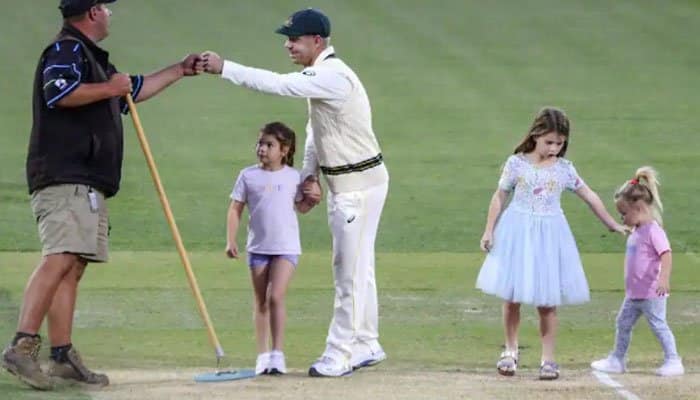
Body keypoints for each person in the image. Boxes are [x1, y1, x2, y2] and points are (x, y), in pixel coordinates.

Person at [1, 0, 200, 390]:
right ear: (92, 12)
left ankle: (61, 356)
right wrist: (111, 86)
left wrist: (180, 69)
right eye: (107, 7)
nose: (111, 13)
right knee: (59, 257)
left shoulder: (91, 58)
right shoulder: (66, 49)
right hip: (64, 174)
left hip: (87, 178)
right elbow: (57, 91)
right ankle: (22, 347)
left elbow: (132, 91)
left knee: (73, 264)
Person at [198, 7, 389, 377]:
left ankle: (339, 353)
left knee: (347, 271)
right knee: (360, 268)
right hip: (356, 181)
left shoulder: (331, 76)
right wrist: (308, 175)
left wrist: (225, 68)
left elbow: (278, 84)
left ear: (316, 41)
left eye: (294, 39)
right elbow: (317, 129)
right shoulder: (324, 77)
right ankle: (367, 342)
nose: (288, 45)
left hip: (357, 187)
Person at [475, 107, 627, 380]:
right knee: (512, 297)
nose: (555, 148)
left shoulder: (564, 170)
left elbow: (588, 195)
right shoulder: (516, 164)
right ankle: (510, 350)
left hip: (549, 237)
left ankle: (548, 358)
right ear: (536, 135)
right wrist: (489, 230)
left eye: (560, 143)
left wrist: (611, 223)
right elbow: (499, 196)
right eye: (549, 142)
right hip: (517, 233)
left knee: (547, 301)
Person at [225, 121, 314, 375]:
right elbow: (235, 208)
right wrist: (231, 240)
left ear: (284, 150)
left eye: (269, 145)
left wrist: (312, 199)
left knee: (276, 296)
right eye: (260, 143)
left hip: (286, 247)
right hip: (258, 247)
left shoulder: (293, 177)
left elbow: (302, 208)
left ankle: (278, 353)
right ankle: (263, 355)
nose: (262, 149)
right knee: (261, 301)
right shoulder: (248, 175)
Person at [591, 167, 684, 377]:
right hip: (634, 293)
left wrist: (664, 279)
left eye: (624, 214)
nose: (622, 218)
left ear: (640, 208)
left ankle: (673, 360)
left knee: (659, 326)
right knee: (622, 323)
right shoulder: (637, 231)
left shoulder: (653, 231)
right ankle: (617, 359)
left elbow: (666, 254)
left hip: (652, 292)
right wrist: (620, 227)